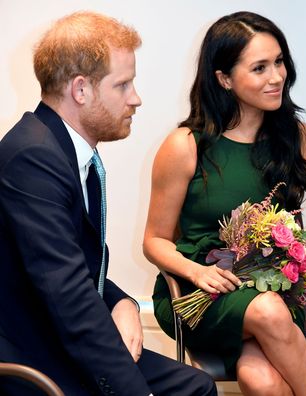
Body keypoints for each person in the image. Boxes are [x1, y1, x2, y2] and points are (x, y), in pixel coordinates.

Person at [143, 11, 306, 396]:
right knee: (267, 311)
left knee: (262, 381)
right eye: (259, 67)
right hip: (206, 291)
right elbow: (155, 240)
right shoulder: (185, 146)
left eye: (279, 62)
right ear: (224, 79)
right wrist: (195, 272)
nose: (277, 76)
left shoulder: (299, 138)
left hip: (278, 287)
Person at [0, 11, 217, 396]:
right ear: (80, 89)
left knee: (197, 387)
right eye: (123, 85)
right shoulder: (32, 158)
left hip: (60, 337)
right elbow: (67, 294)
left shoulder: (64, 150)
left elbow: (76, 265)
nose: (136, 98)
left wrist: (124, 302)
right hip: (33, 355)